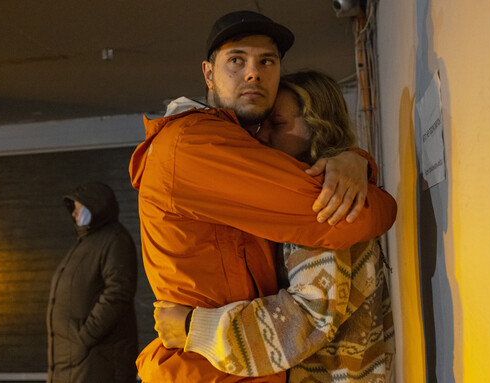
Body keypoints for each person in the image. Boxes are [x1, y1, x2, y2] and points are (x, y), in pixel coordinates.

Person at [129, 10, 396, 382]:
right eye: (236, 60)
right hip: (206, 372)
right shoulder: (197, 144)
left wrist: (355, 163)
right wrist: (365, 177)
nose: (253, 72)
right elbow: (359, 215)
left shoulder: (245, 150)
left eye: (266, 61)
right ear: (208, 73)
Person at [46, 182, 138, 383]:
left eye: (77, 207)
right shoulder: (85, 244)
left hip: (96, 362)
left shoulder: (115, 240)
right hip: (72, 363)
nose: (73, 214)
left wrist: (84, 338)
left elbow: (118, 292)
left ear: (94, 206)